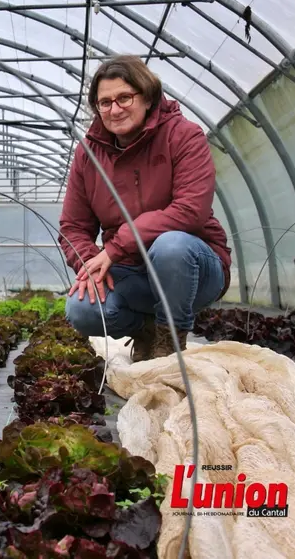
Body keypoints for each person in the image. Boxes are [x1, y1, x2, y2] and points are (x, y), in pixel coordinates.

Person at [59, 55, 232, 362]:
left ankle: (170, 339)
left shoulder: (183, 135)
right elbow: (73, 226)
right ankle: (146, 329)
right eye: (105, 102)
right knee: (81, 308)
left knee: (171, 247)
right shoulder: (89, 154)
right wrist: (88, 263)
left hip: (192, 269)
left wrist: (115, 248)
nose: (115, 109)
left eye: (125, 97)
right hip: (133, 274)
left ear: (148, 97)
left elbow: (191, 210)